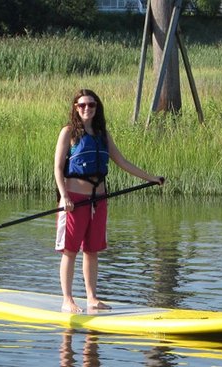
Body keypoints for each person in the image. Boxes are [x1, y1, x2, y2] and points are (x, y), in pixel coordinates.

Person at [54, 89, 164, 313]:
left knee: (92, 250)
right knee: (70, 250)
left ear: (97, 108)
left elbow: (122, 162)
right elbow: (57, 168)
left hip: (99, 200)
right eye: (82, 105)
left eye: (91, 105)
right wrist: (64, 196)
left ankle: (92, 298)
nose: (87, 109)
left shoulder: (102, 134)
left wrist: (151, 178)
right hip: (74, 201)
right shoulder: (68, 133)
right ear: (75, 107)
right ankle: (67, 299)